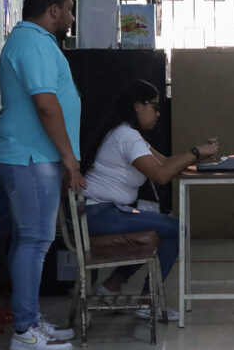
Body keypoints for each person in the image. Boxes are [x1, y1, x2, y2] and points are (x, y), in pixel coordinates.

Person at [0, 0, 84, 350]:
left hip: (33, 157)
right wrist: (69, 157)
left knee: (33, 240)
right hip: (29, 157)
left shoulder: (37, 41)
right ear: (54, 10)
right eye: (69, 8)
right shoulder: (31, 42)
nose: (72, 16)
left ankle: (30, 319)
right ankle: (25, 331)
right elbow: (46, 104)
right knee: (34, 241)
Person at [80, 78, 218, 321]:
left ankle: (111, 286)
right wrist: (196, 152)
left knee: (161, 228)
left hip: (104, 212)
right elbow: (162, 175)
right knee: (175, 228)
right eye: (153, 106)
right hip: (99, 214)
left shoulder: (129, 134)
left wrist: (195, 158)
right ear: (137, 106)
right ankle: (148, 300)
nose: (157, 113)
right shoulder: (127, 137)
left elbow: (164, 162)